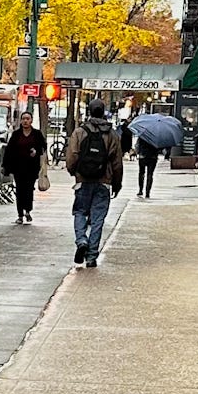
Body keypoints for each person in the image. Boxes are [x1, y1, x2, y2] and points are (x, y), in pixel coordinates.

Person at [65, 95, 123, 268]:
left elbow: (72, 155)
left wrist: (73, 171)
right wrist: (117, 183)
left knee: (80, 212)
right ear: (103, 112)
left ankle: (81, 239)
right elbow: (117, 162)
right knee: (98, 219)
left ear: (89, 111)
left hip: (83, 179)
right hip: (103, 181)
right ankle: (91, 256)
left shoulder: (80, 131)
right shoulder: (111, 134)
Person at [3, 107, 48, 224]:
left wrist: (36, 151)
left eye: (27, 119)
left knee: (28, 190)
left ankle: (28, 210)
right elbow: (9, 150)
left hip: (31, 168)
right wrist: (5, 166)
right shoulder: (16, 134)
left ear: (31, 120)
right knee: (19, 190)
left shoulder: (37, 134)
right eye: (23, 119)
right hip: (18, 167)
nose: (25, 121)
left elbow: (43, 147)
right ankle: (20, 214)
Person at [136, 130, 161, 199]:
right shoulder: (156, 136)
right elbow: (159, 147)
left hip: (143, 156)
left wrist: (138, 152)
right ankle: (147, 192)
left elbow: (138, 145)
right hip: (153, 157)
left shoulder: (142, 135)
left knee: (141, 173)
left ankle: (140, 190)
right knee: (150, 174)